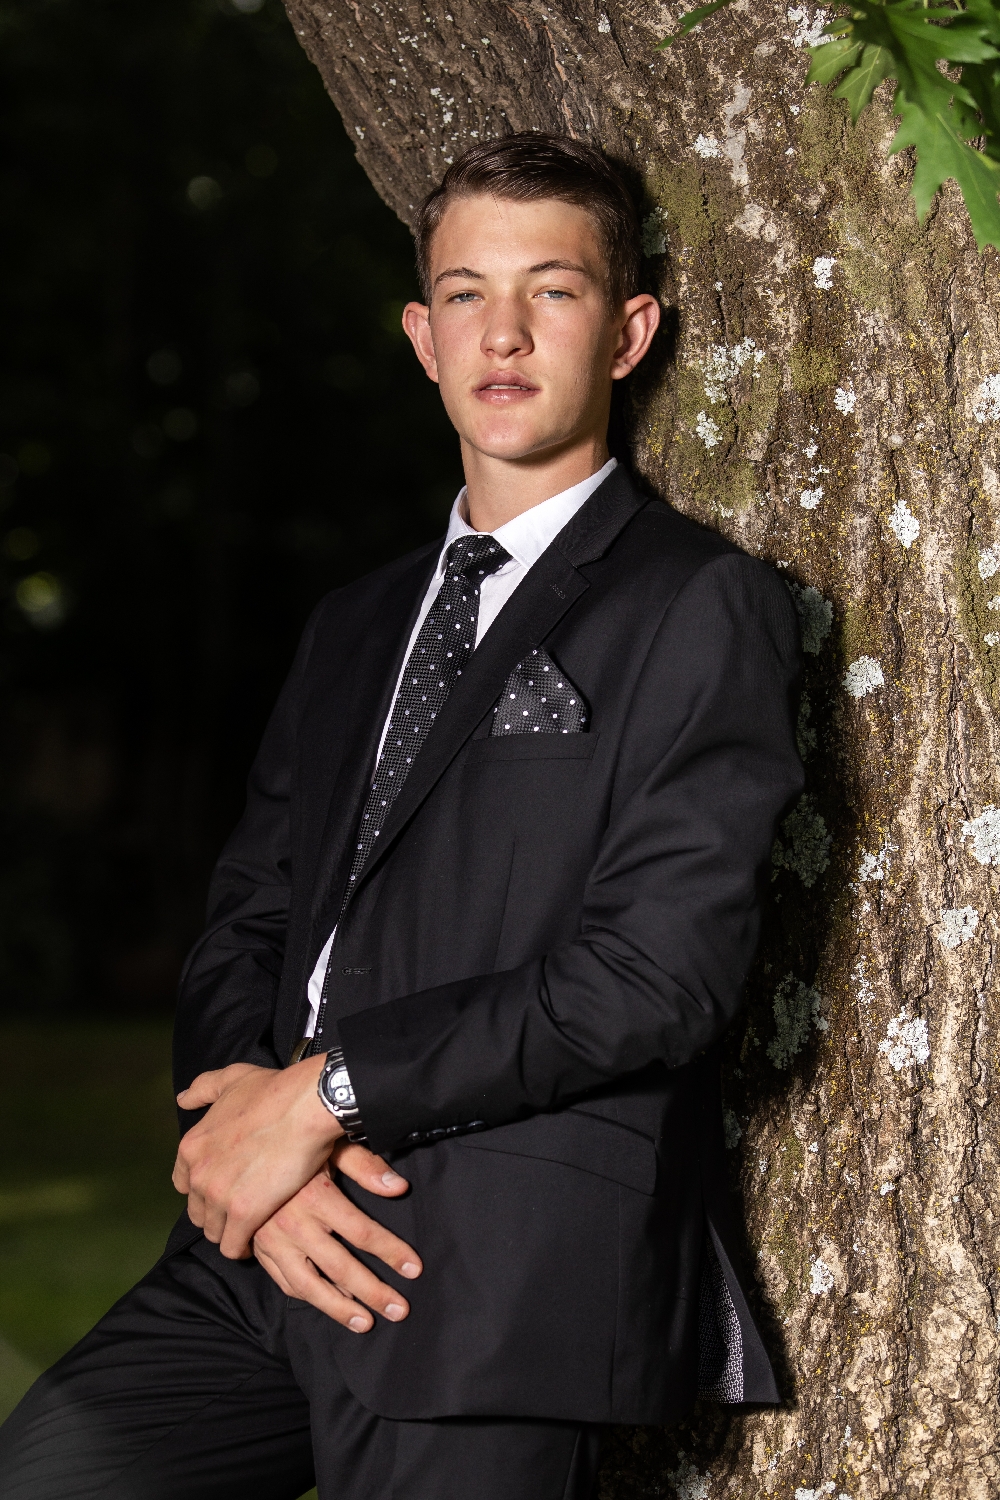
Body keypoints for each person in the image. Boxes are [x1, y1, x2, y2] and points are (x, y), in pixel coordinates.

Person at [0, 133, 803, 1500]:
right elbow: (245, 921)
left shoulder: (698, 606)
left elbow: (656, 978)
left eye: (551, 291)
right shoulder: (357, 622)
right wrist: (253, 1141)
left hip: (495, 1269)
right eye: (467, 295)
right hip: (267, 1243)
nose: (504, 332)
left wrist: (328, 1093)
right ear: (421, 336)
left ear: (628, 330)